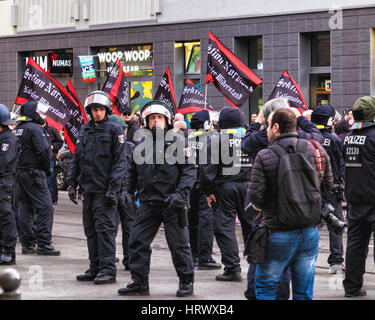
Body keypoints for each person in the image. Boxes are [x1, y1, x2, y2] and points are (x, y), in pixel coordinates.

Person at [248, 108, 332, 300]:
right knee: (303, 292)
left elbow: (256, 197)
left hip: (278, 231)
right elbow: (328, 185)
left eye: (268, 126)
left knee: (267, 287)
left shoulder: (264, 155)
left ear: (276, 127)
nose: (266, 130)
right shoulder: (316, 149)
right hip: (310, 230)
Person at [118, 100, 196, 297]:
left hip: (173, 203)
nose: (156, 121)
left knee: (179, 246)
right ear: (146, 121)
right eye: (152, 118)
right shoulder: (140, 142)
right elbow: (131, 172)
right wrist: (127, 192)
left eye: (159, 118)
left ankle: (186, 281)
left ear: (167, 120)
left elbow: (189, 171)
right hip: (147, 203)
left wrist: (180, 194)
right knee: (137, 242)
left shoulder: (178, 141)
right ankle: (139, 282)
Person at [67, 90, 126, 285]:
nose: (97, 113)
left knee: (105, 230)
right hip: (89, 190)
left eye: (100, 109)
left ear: (107, 110)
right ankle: (95, 267)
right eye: (94, 110)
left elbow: (120, 162)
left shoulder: (114, 130)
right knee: (90, 230)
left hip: (105, 191)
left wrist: (113, 189)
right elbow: (77, 158)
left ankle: (108, 270)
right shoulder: (84, 130)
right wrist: (71, 181)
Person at [200, 107, 253, 282]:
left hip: (225, 188)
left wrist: (208, 192)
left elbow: (207, 170)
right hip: (248, 187)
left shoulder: (215, 141)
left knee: (224, 228)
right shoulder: (250, 139)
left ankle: (232, 268)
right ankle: (256, 264)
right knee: (251, 226)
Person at [14, 101, 61, 256]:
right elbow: (44, 151)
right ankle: (44, 243)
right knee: (46, 207)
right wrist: (47, 169)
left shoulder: (17, 129)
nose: (42, 115)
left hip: (20, 173)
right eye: (39, 112)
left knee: (25, 206)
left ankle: (27, 243)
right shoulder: (35, 129)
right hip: (34, 173)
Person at [342, 96, 375, 297]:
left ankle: (352, 287)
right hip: (373, 198)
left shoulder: (349, 137)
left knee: (355, 245)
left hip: (355, 200)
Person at [311, 105, 346, 274]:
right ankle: (336, 261)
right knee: (335, 225)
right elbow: (342, 165)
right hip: (332, 189)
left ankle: (308, 259)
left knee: (311, 225)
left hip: (311, 188)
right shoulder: (335, 140)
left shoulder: (307, 139)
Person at [187, 110, 221, 270]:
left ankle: (193, 255)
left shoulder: (188, 139)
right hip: (203, 184)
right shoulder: (211, 139)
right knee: (206, 220)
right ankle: (205, 257)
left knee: (192, 221)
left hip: (189, 183)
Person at [108, 114, 137, 271]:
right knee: (111, 227)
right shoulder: (106, 147)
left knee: (129, 227)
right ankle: (109, 256)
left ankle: (129, 258)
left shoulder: (131, 147)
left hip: (126, 192)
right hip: (112, 191)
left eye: (124, 130)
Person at [0, 105, 19, 265]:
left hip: (4, 182)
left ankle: (9, 250)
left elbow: (3, 163)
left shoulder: (9, 139)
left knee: (5, 216)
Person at [43, 120, 63, 204]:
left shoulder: (52, 129)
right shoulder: (36, 129)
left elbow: (60, 142)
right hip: (40, 158)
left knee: (50, 179)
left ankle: (51, 199)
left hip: (50, 158)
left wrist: (53, 146)